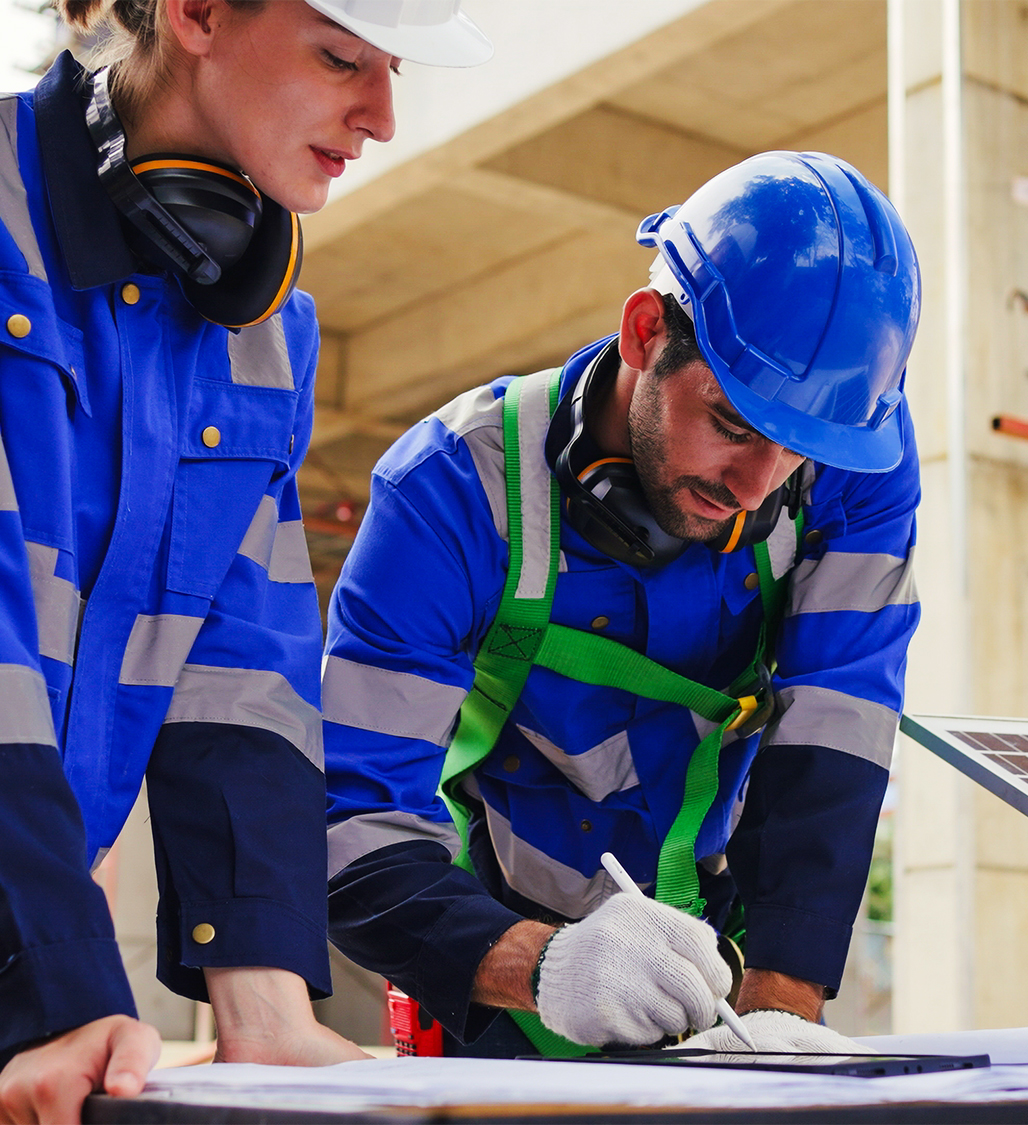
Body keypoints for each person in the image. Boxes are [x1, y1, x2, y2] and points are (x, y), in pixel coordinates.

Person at [0, 0, 491, 1121]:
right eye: (340, 58)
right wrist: (56, 990)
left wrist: (262, 1005)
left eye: (392, 69)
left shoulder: (263, 331)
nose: (380, 116)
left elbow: (244, 672)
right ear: (200, 13)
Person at [322, 150, 921, 1058]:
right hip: (490, 974)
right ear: (646, 332)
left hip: (720, 984)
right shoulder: (450, 493)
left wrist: (779, 1008)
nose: (759, 487)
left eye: (796, 451)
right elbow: (346, 816)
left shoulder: (851, 455)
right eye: (731, 423)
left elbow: (837, 721)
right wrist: (541, 966)